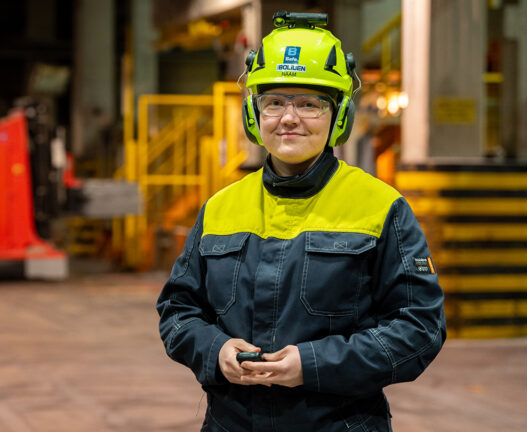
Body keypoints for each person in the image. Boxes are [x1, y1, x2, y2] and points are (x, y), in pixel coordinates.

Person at [156, 11, 446, 432]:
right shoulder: (220, 207)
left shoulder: (382, 208)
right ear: (254, 114)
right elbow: (177, 312)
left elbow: (419, 329)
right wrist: (214, 350)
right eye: (274, 101)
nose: (289, 118)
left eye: (310, 103)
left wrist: (311, 365)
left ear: (338, 116)